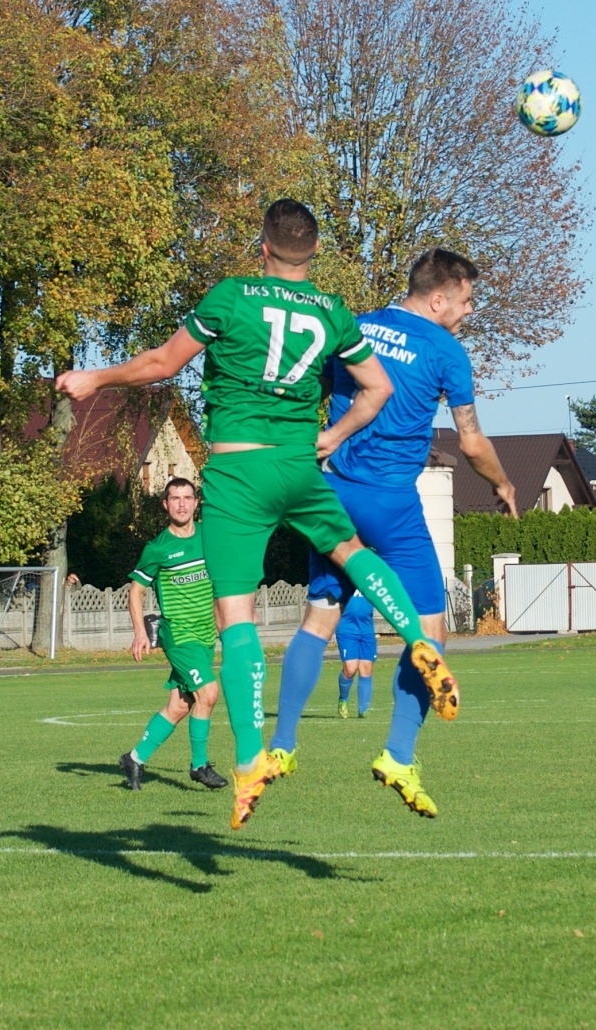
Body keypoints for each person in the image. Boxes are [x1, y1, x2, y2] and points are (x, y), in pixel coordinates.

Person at [56, 199, 457, 830]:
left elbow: (162, 364)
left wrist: (96, 379)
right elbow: (377, 388)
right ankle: (417, 641)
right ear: (314, 251)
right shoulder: (331, 310)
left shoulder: (232, 296)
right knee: (355, 552)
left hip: (239, 474)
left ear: (262, 246)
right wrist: (334, 435)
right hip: (299, 466)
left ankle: (249, 764)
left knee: (236, 617)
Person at [264, 248, 517, 818]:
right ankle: (398, 754)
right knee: (431, 630)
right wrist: (503, 485)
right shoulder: (447, 351)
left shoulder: (354, 328)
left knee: (318, 619)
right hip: (392, 505)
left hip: (333, 493)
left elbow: (314, 391)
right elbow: (472, 442)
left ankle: (281, 746)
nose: (468, 313)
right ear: (438, 298)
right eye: (466, 301)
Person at [118, 478, 228, 791]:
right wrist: (141, 632)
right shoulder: (158, 548)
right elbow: (136, 591)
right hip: (179, 637)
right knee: (207, 694)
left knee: (179, 706)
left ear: (196, 502)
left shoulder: (210, 534)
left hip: (206, 635)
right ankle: (199, 766)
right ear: (165, 505)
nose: (181, 503)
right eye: (174, 498)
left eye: (187, 497)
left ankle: (135, 758)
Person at [335, 594, 377, 719]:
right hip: (346, 629)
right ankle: (343, 699)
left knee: (367, 669)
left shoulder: (371, 581)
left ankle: (363, 710)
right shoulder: (344, 579)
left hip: (367, 629)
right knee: (350, 669)